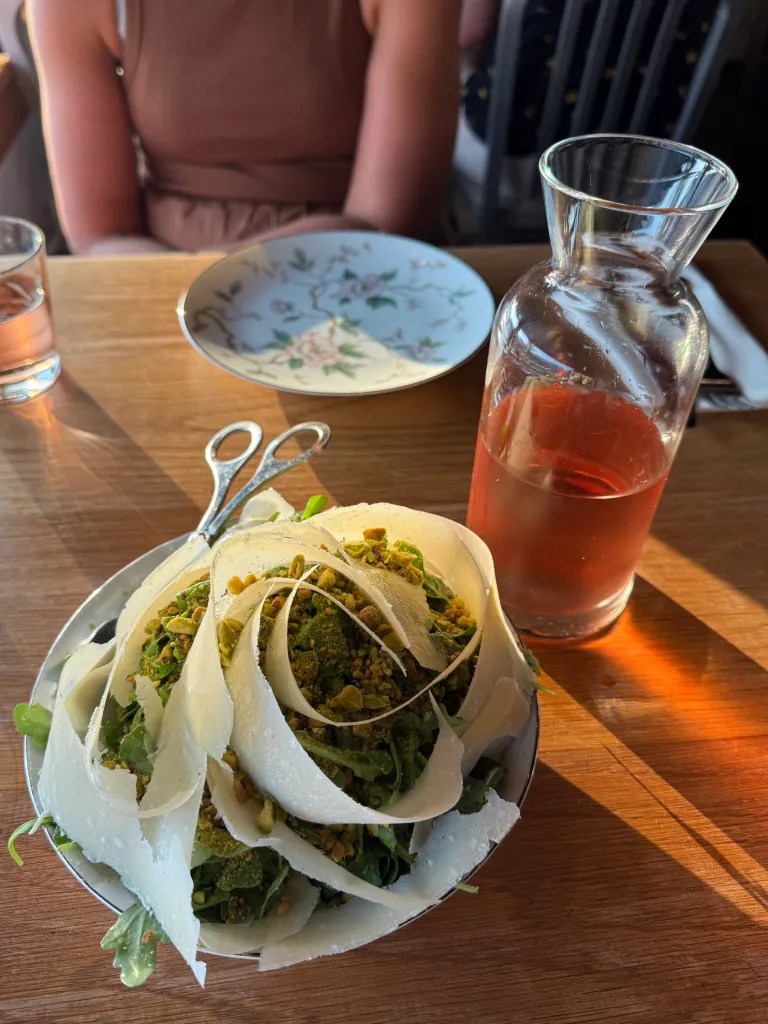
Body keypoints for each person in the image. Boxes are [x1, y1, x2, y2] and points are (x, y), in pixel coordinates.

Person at [27, 0, 460, 255]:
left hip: (362, 273)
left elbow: (389, 219)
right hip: (158, 281)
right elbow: (102, 234)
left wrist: (213, 286)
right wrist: (196, 295)